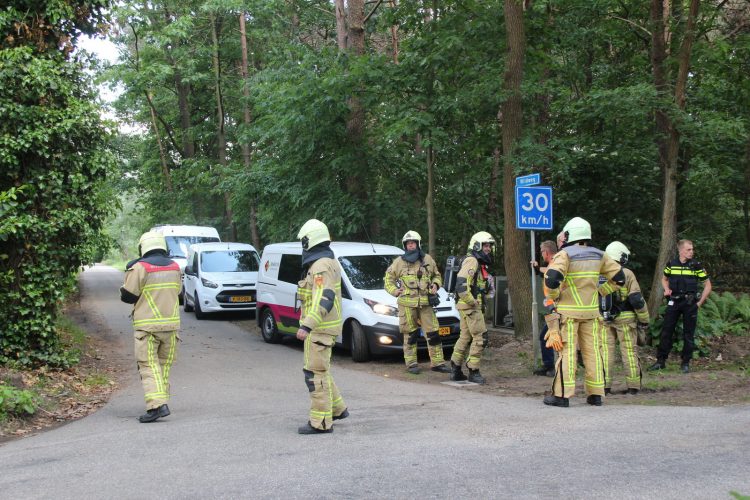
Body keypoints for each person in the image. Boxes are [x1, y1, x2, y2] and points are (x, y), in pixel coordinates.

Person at [542, 217, 625, 408]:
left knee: (567, 353)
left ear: (570, 234)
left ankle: (562, 396)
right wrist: (601, 291)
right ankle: (596, 394)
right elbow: (619, 278)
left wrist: (555, 297)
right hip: (591, 313)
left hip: (568, 313)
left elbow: (552, 279)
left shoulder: (565, 255)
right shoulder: (599, 255)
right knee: (593, 352)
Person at [120, 231, 181, 423]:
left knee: (148, 366)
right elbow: (178, 292)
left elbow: (128, 296)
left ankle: (157, 406)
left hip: (147, 327)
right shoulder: (175, 267)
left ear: (143, 247)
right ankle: (160, 401)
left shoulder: (139, 268)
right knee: (162, 366)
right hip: (171, 326)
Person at [295, 219, 348, 434]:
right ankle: (337, 408)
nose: (302, 245)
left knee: (314, 374)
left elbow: (324, 298)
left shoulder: (320, 266)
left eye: (304, 241)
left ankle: (321, 423)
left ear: (311, 240)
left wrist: (307, 325)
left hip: (319, 329)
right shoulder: (327, 262)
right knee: (322, 370)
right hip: (324, 328)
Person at [384, 231, 450, 374]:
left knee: (433, 333)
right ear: (405, 245)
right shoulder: (398, 262)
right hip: (407, 305)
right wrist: (395, 291)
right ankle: (412, 364)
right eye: (408, 243)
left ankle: (437, 363)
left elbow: (437, 275)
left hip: (426, 303)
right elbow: (387, 280)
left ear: (418, 244)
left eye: (413, 243)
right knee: (410, 334)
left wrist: (435, 285)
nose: (411, 245)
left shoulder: (428, 259)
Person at [649, 239, 712, 374]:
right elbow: (664, 279)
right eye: (688, 249)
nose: (691, 252)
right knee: (666, 331)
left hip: (690, 304)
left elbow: (708, 285)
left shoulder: (696, 265)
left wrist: (699, 303)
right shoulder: (672, 264)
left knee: (688, 334)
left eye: (692, 249)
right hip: (674, 302)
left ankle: (685, 363)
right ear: (681, 250)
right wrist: (666, 289)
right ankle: (660, 361)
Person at [599, 241, 650, 395]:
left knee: (605, 353)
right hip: (626, 320)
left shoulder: (599, 273)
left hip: (604, 319)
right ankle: (633, 387)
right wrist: (644, 319)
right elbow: (636, 300)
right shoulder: (627, 273)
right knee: (629, 352)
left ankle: (604, 387)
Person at [449, 231, 495, 385]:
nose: (488, 248)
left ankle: (455, 368)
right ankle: (473, 370)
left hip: (466, 306)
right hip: (470, 306)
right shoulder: (472, 261)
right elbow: (461, 285)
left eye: (489, 245)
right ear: (476, 245)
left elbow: (477, 285)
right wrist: (473, 301)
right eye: (485, 245)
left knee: (465, 337)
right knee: (481, 337)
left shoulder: (477, 262)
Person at [531, 239, 559, 377]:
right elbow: (548, 271)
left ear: (546, 252)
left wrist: (537, 268)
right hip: (555, 309)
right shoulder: (555, 263)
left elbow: (550, 272)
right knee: (548, 336)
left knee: (547, 336)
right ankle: (550, 366)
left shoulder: (557, 263)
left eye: (542, 252)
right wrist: (538, 268)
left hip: (559, 309)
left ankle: (552, 367)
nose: (542, 254)